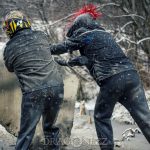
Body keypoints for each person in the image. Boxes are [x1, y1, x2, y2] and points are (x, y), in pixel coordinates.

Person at [50, 4, 150, 150]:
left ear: (80, 26)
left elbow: (64, 46)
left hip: (113, 79)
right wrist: (66, 62)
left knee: (101, 117)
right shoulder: (104, 35)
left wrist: (44, 49)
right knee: (144, 118)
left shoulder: (86, 35)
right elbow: (85, 60)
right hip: (132, 77)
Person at [2, 10, 64, 150]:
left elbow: (10, 67)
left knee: (26, 134)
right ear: (25, 22)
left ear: (10, 28)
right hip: (57, 87)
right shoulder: (41, 36)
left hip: (34, 91)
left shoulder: (9, 48)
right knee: (50, 128)